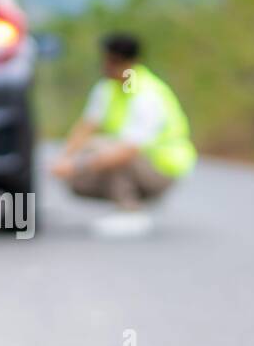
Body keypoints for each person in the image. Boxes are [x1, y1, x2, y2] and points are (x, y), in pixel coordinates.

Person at [51, 33, 196, 222]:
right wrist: (64, 158)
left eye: (112, 61)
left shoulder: (146, 93)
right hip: (139, 159)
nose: (106, 66)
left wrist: (77, 166)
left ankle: (130, 211)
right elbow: (86, 127)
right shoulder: (108, 88)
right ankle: (124, 205)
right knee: (94, 147)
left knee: (110, 152)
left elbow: (127, 150)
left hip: (162, 168)